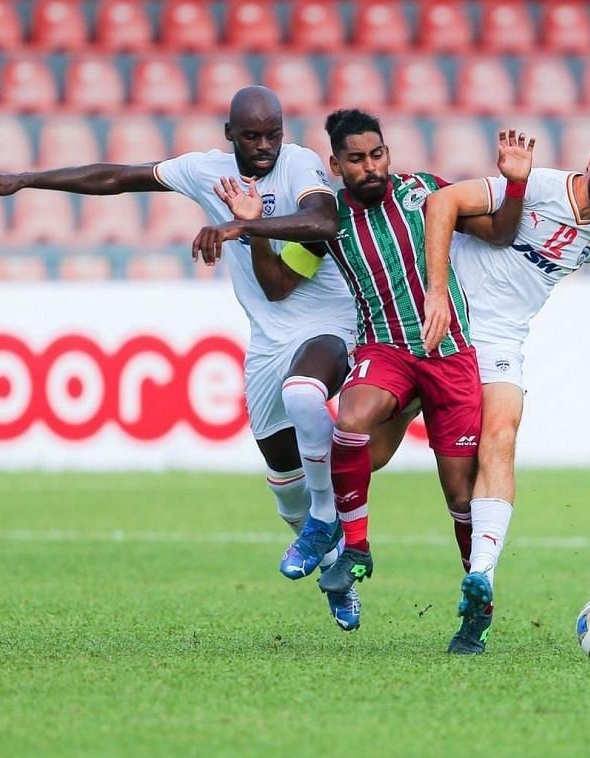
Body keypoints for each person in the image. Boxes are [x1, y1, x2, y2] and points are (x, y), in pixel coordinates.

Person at [0, 86, 362, 632]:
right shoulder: (205, 171)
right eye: (251, 136)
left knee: (304, 394)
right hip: (269, 339)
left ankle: (326, 520)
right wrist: (27, 180)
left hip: (329, 322)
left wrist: (242, 225)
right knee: (284, 489)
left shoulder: (300, 165)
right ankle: (333, 568)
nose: (265, 146)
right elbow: (117, 177)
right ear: (229, 135)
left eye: (273, 133)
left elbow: (322, 222)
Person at [215, 108, 534, 650]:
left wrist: (515, 182)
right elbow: (277, 286)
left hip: (452, 357)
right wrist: (251, 229)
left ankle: (476, 606)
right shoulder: (326, 222)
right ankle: (356, 548)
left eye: (378, 154)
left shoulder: (426, 193)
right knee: (351, 421)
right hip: (384, 348)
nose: (371, 167)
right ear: (336, 165)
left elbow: (502, 233)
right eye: (357, 160)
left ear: (389, 152)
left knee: (460, 494)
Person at [425, 116, 590, 653]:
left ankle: (482, 577)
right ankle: (333, 533)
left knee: (501, 437)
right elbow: (441, 204)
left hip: (501, 340)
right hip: (443, 322)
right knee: (372, 449)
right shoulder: (533, 184)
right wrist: (436, 292)